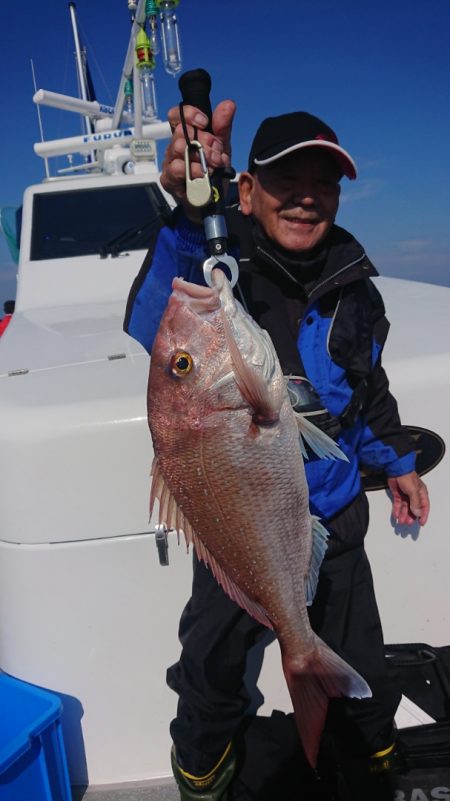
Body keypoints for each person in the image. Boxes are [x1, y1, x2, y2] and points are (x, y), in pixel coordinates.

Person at [124, 101, 430, 800]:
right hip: (241, 536)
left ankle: (371, 763)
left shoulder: (356, 290)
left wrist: (399, 460)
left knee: (364, 671)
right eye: (286, 177)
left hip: (337, 517)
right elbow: (156, 319)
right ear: (249, 192)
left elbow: (366, 390)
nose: (306, 195)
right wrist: (184, 208)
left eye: (324, 181)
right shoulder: (222, 266)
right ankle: (204, 777)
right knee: (210, 673)